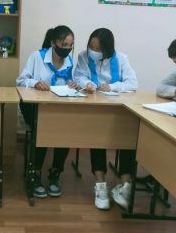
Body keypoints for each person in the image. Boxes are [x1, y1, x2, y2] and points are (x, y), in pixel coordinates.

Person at [73, 28, 138, 210]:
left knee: (128, 138)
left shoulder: (121, 59)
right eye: (91, 47)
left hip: (119, 109)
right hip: (95, 109)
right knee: (97, 137)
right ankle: (100, 184)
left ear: (108, 49)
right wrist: (87, 83)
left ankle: (125, 185)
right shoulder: (83, 56)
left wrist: (112, 86)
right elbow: (78, 75)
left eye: (98, 49)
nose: (93, 51)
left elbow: (133, 83)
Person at [17, 25, 77, 198]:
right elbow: (21, 80)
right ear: (53, 43)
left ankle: (55, 173)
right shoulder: (37, 56)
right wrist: (35, 83)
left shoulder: (68, 61)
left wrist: (72, 84)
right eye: (64, 44)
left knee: (65, 130)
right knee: (43, 127)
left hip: (57, 106)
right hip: (34, 106)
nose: (67, 49)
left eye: (70, 45)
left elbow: (68, 83)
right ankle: (35, 173)